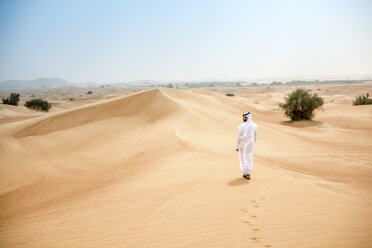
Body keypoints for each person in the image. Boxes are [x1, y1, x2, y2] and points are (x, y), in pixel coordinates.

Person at [235, 112, 257, 180]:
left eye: (244, 117)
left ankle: (245, 173)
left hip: (243, 144)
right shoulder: (255, 125)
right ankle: (248, 173)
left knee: (242, 158)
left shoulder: (242, 126)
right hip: (251, 145)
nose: (243, 118)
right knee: (249, 158)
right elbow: (255, 136)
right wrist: (253, 144)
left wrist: (237, 146)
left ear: (246, 117)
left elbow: (239, 136)